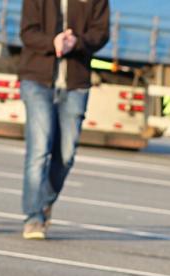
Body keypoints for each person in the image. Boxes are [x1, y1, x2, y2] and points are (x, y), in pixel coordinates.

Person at [18, 0, 111, 239]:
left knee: (66, 154)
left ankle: (44, 200)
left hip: (75, 83)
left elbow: (101, 33)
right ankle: (33, 217)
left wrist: (75, 42)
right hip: (37, 80)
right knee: (39, 150)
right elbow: (27, 32)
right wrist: (53, 42)